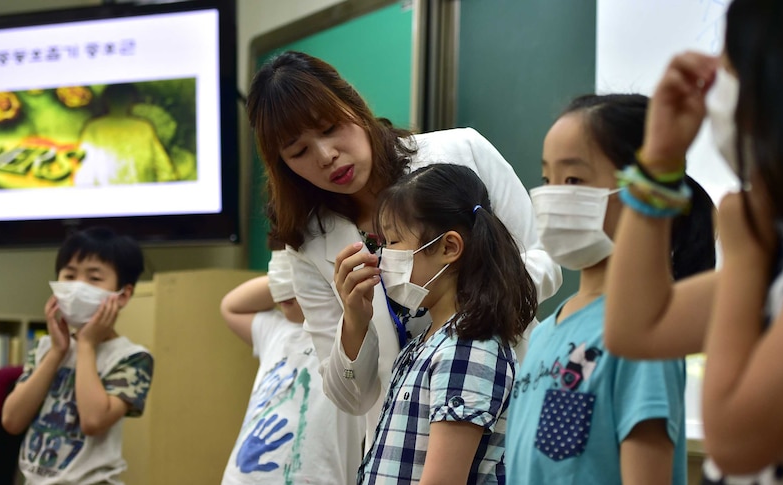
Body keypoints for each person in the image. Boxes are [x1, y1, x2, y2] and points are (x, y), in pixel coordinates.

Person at [246, 51, 562, 437]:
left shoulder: (461, 152)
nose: (326, 156)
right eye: (299, 152)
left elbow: (544, 260)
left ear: (354, 106)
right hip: (407, 445)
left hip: (509, 409)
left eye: (330, 128)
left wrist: (471, 303)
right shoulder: (309, 243)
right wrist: (354, 323)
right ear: (284, 165)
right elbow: (350, 398)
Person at [603, 1, 783, 483]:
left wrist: (743, 254)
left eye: (729, 65)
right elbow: (635, 328)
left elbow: (736, 439)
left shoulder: (773, 254)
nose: (717, 83)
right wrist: (659, 162)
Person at [505, 94, 716, 485]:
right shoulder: (546, 332)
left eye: (573, 180)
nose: (552, 195)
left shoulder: (643, 334)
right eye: (548, 179)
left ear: (640, 188)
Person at [338, 163, 535, 484]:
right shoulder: (426, 343)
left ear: (448, 247)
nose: (382, 257)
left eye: (394, 241)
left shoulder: (470, 346)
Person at [1, 226, 153, 484]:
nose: (78, 287)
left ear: (123, 294)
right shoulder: (45, 348)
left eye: (94, 279)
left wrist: (86, 345)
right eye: (69, 277)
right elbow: (12, 420)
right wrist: (57, 352)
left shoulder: (133, 358)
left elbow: (94, 421)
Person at [219, 248, 364, 485]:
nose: (284, 288)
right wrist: (284, 277)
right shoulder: (278, 332)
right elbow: (230, 306)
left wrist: (311, 276)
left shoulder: (350, 336)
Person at [74, 83, 178, 186]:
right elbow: (166, 173)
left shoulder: (93, 128)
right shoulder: (143, 127)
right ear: (132, 101)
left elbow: (83, 176)